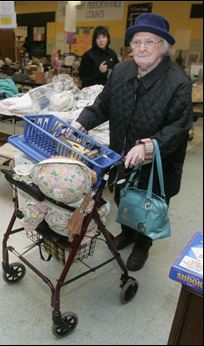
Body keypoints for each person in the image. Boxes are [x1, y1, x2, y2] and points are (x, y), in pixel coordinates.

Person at [74, 13, 193, 271]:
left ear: (163, 46)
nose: (142, 48)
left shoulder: (178, 82)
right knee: (123, 197)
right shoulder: (121, 71)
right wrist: (82, 121)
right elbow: (103, 104)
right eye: (137, 42)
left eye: (150, 42)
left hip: (157, 162)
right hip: (122, 154)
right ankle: (128, 233)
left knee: (148, 205)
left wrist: (147, 146)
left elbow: (179, 127)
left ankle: (142, 245)